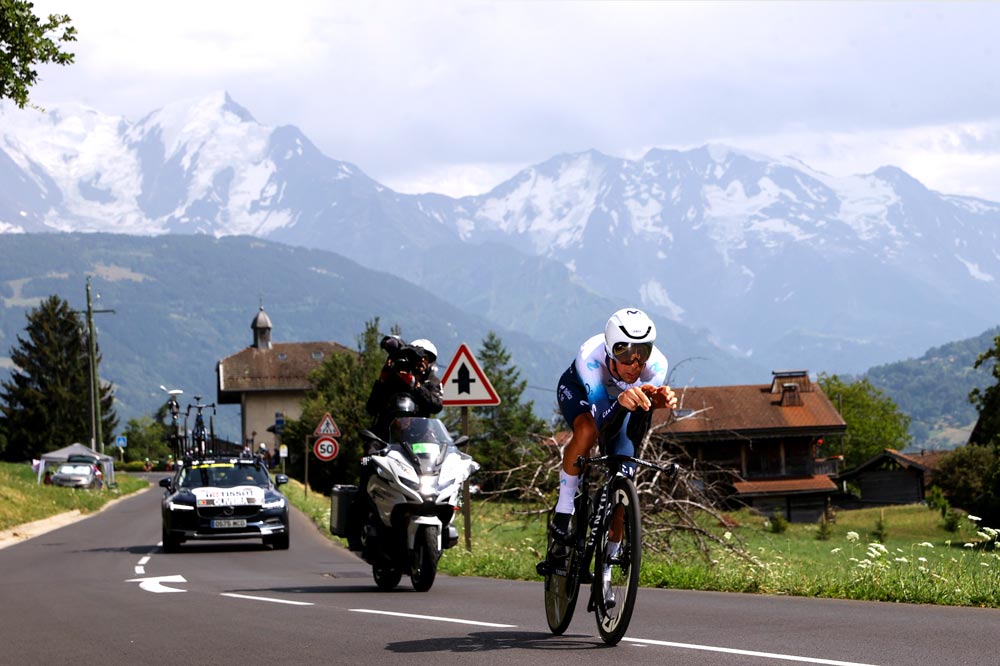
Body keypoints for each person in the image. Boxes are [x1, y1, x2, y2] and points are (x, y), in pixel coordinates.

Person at [551, 307, 677, 605]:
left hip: (627, 407)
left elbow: (635, 422)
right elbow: (600, 420)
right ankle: (565, 505)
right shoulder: (590, 356)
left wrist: (657, 401)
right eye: (624, 354)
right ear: (609, 350)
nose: (634, 363)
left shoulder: (656, 365)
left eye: (642, 352)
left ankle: (607, 566)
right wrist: (620, 399)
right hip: (584, 395)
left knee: (624, 473)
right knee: (586, 432)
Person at [364, 335, 443, 441]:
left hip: (420, 436)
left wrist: (415, 384)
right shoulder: (396, 375)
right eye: (417, 358)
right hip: (387, 436)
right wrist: (383, 380)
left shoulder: (431, 381)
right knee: (372, 453)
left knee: (434, 454)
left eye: (426, 359)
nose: (421, 362)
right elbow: (372, 408)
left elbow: (436, 406)